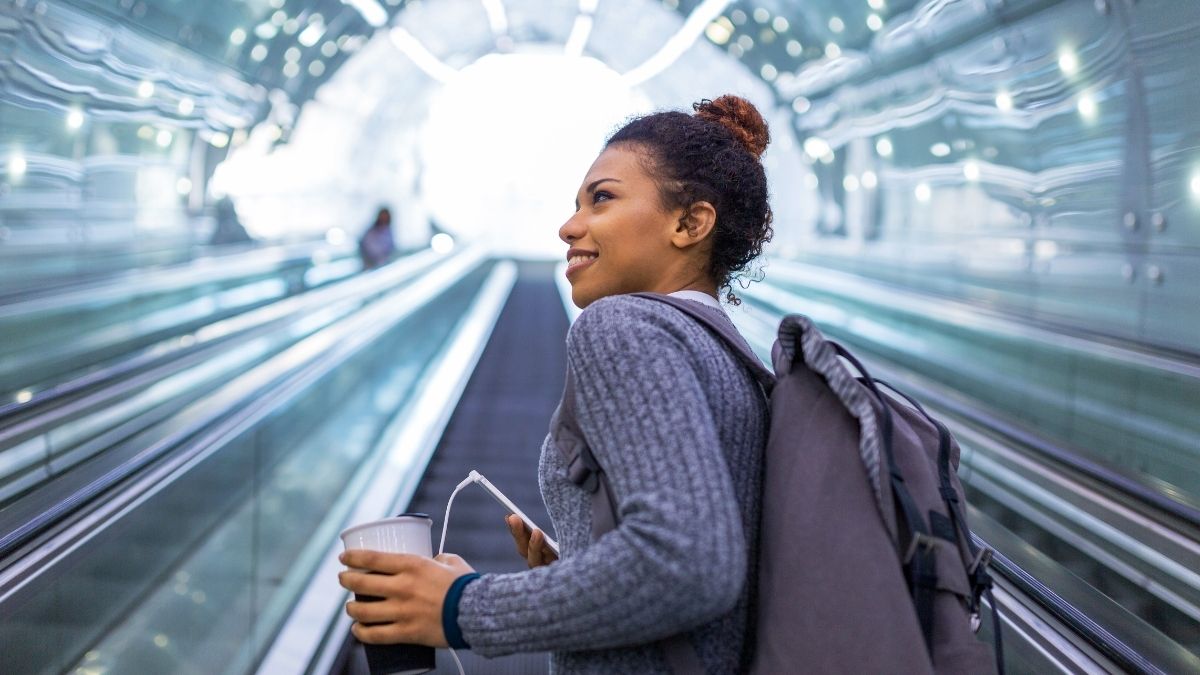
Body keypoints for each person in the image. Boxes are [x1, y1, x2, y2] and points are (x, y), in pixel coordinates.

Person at [338, 95, 775, 673]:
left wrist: (458, 606)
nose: (569, 227)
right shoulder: (734, 355)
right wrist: (577, 576)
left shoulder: (622, 326)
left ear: (689, 222)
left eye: (602, 198)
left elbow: (688, 563)